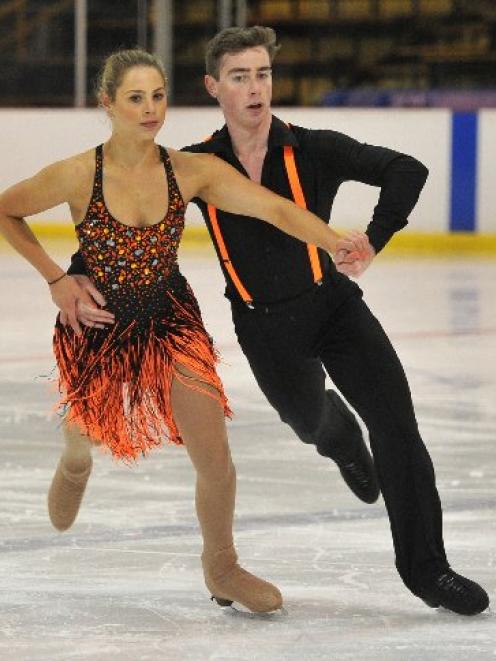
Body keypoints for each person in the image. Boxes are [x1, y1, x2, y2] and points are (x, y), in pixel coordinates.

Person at [65, 29, 489, 616]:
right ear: (214, 87)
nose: (255, 87)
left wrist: (374, 240)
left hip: (334, 308)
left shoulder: (313, 147)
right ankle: (337, 438)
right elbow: (131, 223)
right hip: (264, 331)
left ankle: (427, 570)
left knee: (398, 428)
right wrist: (77, 270)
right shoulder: (195, 165)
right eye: (239, 77)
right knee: (310, 420)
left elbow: (406, 170)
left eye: (262, 74)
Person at [0, 48, 368, 614]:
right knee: (83, 439)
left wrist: (333, 240)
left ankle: (221, 566)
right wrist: (55, 279)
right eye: (136, 98)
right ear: (108, 104)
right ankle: (75, 461)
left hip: (171, 319)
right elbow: (6, 209)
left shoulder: (189, 171)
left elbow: (273, 209)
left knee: (214, 453)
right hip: (98, 323)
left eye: (159, 96)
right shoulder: (79, 173)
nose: (151, 110)